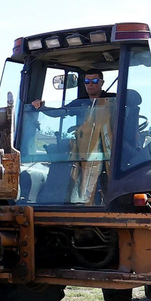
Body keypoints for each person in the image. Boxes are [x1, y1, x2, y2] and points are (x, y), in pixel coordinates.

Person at [31, 69, 114, 204]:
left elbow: (134, 99)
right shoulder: (81, 102)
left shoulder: (112, 99)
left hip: (109, 149)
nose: (90, 84)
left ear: (102, 83)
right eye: (87, 81)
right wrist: (41, 107)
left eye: (94, 81)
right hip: (85, 151)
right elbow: (60, 112)